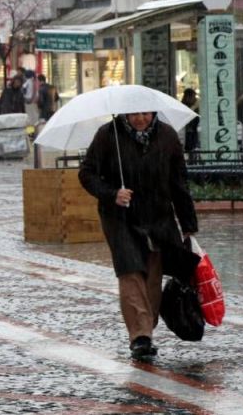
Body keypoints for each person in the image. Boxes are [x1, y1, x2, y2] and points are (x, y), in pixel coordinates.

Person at [78, 112, 199, 360]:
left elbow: (178, 182)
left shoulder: (167, 136)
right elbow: (87, 173)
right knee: (130, 270)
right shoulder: (107, 134)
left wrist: (187, 222)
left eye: (145, 114)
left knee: (153, 273)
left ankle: (147, 326)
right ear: (125, 113)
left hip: (157, 215)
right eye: (135, 114)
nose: (140, 119)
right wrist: (112, 193)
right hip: (120, 217)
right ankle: (140, 336)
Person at [181, 89, 200, 163]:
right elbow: (187, 115)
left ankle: (192, 162)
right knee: (189, 150)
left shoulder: (196, 107)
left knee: (193, 151)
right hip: (186, 133)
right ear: (187, 97)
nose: (195, 99)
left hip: (193, 133)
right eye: (193, 96)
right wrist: (195, 106)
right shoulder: (183, 106)